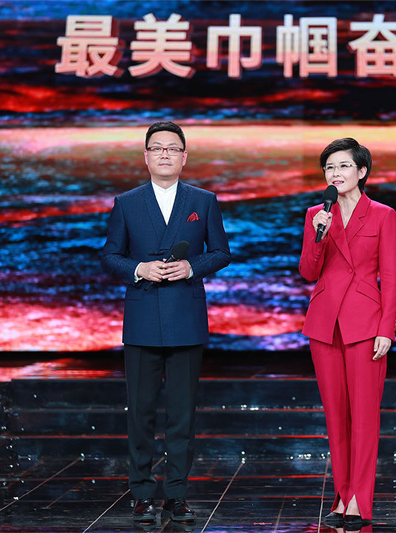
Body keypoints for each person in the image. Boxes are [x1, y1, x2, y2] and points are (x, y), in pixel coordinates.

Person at [101, 121, 231, 523]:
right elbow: (110, 255)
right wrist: (138, 268)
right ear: (145, 156)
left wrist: (191, 266)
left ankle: (176, 495)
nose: (164, 154)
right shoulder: (127, 202)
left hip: (185, 318)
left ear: (184, 157)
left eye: (172, 148)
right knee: (139, 413)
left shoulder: (203, 201)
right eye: (157, 148)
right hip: (141, 318)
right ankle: (141, 493)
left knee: (181, 414)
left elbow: (221, 252)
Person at [299, 138, 396, 529]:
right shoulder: (316, 215)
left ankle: (359, 500)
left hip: (365, 324)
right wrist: (319, 235)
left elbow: (389, 275)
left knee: (364, 417)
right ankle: (342, 496)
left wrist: (386, 328)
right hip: (325, 324)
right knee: (336, 417)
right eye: (329, 167)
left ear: (362, 171)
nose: (335, 173)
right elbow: (308, 271)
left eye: (343, 166)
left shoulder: (383, 215)